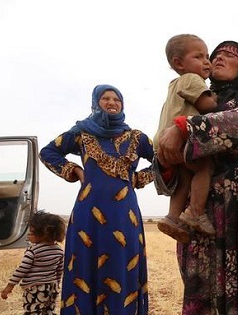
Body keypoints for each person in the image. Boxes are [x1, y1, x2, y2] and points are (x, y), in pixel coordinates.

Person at [155, 40, 238, 314]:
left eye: (228, 55)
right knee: (200, 282)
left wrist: (184, 128)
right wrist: (165, 158)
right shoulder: (192, 100)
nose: (218, 59)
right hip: (200, 211)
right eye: (214, 55)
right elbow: (166, 171)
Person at [39, 84, 154, 315]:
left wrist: (139, 178)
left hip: (125, 215)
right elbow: (48, 152)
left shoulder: (137, 137)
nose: (111, 103)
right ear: (95, 103)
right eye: (105, 98)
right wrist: (74, 171)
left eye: (116, 99)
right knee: (84, 264)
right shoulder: (82, 133)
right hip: (87, 211)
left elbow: (164, 162)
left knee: (122, 264)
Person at [154, 34, 218, 242]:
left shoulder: (173, 84)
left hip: (163, 144)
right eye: (199, 57)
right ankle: (195, 212)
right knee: (204, 168)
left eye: (207, 56)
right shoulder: (192, 79)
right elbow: (207, 106)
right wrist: (214, 98)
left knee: (184, 177)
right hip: (181, 140)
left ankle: (173, 217)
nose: (207, 62)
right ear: (179, 63)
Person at [1, 211, 66, 315]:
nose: (28, 235)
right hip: (51, 287)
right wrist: (56, 283)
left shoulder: (33, 251)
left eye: (31, 233)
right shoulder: (59, 250)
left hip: (35, 289)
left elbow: (22, 269)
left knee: (33, 311)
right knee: (48, 311)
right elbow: (59, 270)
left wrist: (10, 286)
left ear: (44, 233)